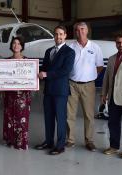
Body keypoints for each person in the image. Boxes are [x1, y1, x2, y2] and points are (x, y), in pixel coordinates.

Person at [35, 26, 75, 155]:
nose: (58, 36)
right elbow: (44, 68)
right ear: (54, 35)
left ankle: (60, 145)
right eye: (56, 34)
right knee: (48, 117)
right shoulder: (48, 51)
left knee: (61, 118)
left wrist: (47, 74)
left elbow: (65, 70)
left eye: (61, 34)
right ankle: (49, 141)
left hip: (60, 91)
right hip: (48, 90)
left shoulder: (69, 52)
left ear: (65, 36)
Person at [66, 22, 104, 151]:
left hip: (88, 86)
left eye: (82, 29)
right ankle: (70, 140)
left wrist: (89, 76)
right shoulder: (70, 47)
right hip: (71, 84)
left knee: (89, 115)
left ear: (87, 31)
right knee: (69, 114)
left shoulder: (95, 47)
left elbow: (99, 66)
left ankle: (89, 141)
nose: (80, 31)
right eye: (77, 29)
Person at [2, 37, 32, 150]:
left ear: (22, 46)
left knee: (21, 117)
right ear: (11, 46)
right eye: (14, 43)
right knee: (9, 117)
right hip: (9, 95)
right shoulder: (6, 61)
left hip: (23, 95)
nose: (16, 45)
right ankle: (10, 140)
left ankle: (21, 141)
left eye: (19, 43)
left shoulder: (28, 61)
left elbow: (31, 77)